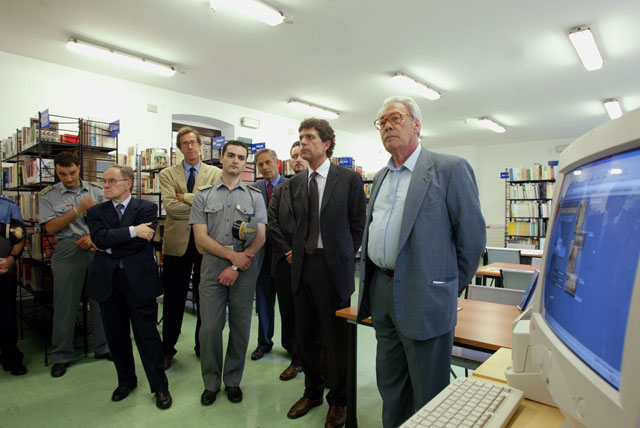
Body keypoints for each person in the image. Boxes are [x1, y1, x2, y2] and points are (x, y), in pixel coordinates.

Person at [357, 96, 486, 427]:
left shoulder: (450, 169)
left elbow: (472, 240)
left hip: (425, 297)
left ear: (416, 124)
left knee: (429, 395)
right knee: (391, 386)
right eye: (381, 122)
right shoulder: (381, 177)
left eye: (395, 118)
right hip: (382, 291)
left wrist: (444, 286)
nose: (387, 126)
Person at [286, 119, 366, 428]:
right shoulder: (296, 183)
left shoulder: (348, 180)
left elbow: (358, 224)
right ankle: (312, 392)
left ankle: (339, 401)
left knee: (336, 340)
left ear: (326, 144)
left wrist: (343, 255)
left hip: (333, 270)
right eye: (301, 137)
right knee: (306, 337)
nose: (303, 143)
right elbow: (297, 225)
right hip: (303, 267)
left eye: (310, 137)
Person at [86, 165, 172, 409]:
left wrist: (109, 246)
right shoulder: (95, 212)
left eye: (111, 181)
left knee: (148, 336)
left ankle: (160, 386)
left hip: (139, 282)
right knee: (116, 336)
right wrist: (133, 231)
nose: (105, 185)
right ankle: (126, 381)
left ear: (127, 184)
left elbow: (140, 244)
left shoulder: (146, 208)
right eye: (104, 181)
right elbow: (99, 238)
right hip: (108, 282)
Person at [190, 141, 266, 406]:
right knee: (210, 327)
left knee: (240, 326)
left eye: (241, 157)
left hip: (244, 268)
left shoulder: (255, 196)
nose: (236, 160)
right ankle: (211, 383)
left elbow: (260, 237)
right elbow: (200, 238)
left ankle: (233, 380)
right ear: (221, 158)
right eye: (231, 155)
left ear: (246, 162)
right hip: (212, 266)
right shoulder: (203, 195)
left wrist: (235, 265)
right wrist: (231, 258)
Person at [39, 151, 110, 378]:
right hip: (68, 249)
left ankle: (104, 347)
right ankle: (61, 356)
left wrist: (93, 237)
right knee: (65, 305)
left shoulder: (96, 191)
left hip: (96, 247)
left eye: (71, 172)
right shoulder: (49, 195)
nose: (68, 178)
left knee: (101, 301)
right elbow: (50, 227)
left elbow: (110, 221)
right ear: (56, 172)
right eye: (62, 174)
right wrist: (77, 209)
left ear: (78, 168)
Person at [159, 126, 221, 369]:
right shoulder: (167, 174)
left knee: (205, 298)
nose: (190, 146)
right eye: (185, 143)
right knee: (173, 299)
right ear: (180, 148)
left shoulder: (215, 173)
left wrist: (183, 197)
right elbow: (170, 208)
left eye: (193, 142)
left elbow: (215, 205)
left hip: (206, 243)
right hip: (177, 246)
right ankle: (167, 349)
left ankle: (201, 345)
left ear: (200, 145)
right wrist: (200, 204)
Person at [266, 141, 307, 380]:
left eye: (302, 155)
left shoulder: (318, 188)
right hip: (284, 263)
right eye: (294, 156)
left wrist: (300, 252)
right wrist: (288, 251)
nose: (298, 159)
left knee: (309, 314)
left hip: (310, 263)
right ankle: (296, 359)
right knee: (289, 314)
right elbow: (272, 223)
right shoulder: (281, 190)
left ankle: (313, 360)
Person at [250, 148, 288, 362]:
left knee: (287, 302)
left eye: (268, 163)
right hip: (261, 255)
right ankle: (264, 342)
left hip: (284, 255)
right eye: (260, 164)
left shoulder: (291, 186)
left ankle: (290, 344)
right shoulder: (254, 190)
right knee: (263, 300)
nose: (264, 167)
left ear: (277, 163)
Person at [0, 196, 27, 376]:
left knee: (6, 316)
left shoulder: (8, 206)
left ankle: (10, 357)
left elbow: (20, 237)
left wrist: (10, 259)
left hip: (3, 271)